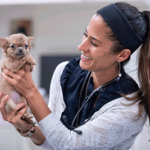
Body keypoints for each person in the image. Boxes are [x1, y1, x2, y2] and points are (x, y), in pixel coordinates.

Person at [0, 2, 149, 150]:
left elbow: (71, 146)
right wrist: (25, 126)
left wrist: (31, 91)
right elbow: (53, 140)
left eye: (94, 43)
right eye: (85, 35)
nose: (81, 47)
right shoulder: (64, 72)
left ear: (122, 55)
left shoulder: (131, 108)